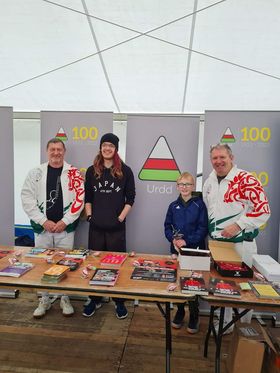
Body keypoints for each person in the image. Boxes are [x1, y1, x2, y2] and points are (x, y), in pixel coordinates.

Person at [203, 143, 271, 333]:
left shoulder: (246, 179)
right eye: (215, 158)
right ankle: (224, 323)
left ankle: (243, 326)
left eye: (222, 157)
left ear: (231, 158)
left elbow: (263, 211)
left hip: (241, 244)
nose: (218, 162)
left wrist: (239, 225)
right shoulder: (209, 181)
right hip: (218, 245)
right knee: (222, 285)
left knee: (245, 288)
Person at [21, 138, 84, 318]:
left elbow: (79, 199)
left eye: (59, 150)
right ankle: (45, 299)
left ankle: (64, 297)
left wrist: (64, 221)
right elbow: (27, 199)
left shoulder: (74, 173)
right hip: (43, 228)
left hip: (65, 228)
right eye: (52, 149)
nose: (56, 153)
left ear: (64, 152)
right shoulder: (35, 173)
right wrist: (43, 221)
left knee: (65, 263)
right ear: (47, 151)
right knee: (43, 263)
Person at [83, 133, 135, 319]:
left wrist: (120, 218)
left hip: (116, 228)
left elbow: (131, 198)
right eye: (104, 145)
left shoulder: (125, 171)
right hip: (96, 227)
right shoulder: (91, 171)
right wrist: (89, 217)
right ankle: (95, 299)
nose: (107, 148)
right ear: (101, 147)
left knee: (116, 265)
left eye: (111, 146)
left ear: (115, 149)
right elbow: (87, 197)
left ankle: (119, 301)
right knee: (96, 264)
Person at [164, 172, 208, 334]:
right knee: (179, 279)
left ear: (193, 187)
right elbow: (167, 226)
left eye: (187, 184)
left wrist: (187, 241)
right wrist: (173, 239)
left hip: (195, 250)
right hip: (176, 250)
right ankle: (180, 310)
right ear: (177, 186)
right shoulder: (172, 206)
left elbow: (203, 228)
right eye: (181, 184)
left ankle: (194, 314)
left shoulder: (199, 205)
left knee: (194, 281)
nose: (184, 187)